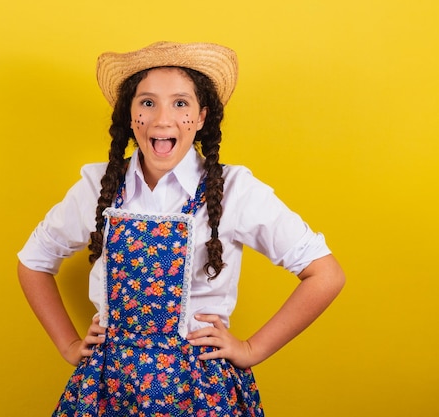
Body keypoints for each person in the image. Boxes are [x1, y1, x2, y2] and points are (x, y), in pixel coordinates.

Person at [17, 41, 345, 416]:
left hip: (200, 391)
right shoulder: (97, 187)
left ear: (202, 116)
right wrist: (68, 345)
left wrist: (252, 349)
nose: (162, 119)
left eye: (180, 103)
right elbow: (33, 262)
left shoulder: (235, 190)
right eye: (147, 102)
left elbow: (326, 274)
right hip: (109, 387)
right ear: (129, 114)